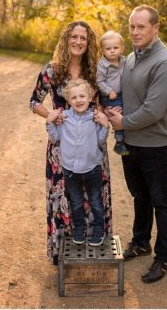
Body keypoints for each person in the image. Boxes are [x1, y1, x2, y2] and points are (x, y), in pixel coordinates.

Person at [105, 5, 167, 285]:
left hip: (155, 146)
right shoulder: (132, 57)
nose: (135, 32)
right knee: (140, 195)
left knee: (161, 201)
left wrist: (122, 123)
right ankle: (140, 242)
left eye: (141, 26)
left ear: (155, 28)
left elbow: (153, 110)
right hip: (131, 144)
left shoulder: (166, 62)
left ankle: (164, 257)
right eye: (132, 27)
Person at [29, 20, 113, 263]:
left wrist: (104, 116)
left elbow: (109, 99)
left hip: (92, 145)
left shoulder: (96, 71)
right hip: (60, 149)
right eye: (74, 37)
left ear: (89, 44)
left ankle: (97, 250)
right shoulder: (52, 70)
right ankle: (63, 253)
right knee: (66, 197)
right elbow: (34, 102)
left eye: (83, 38)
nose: (78, 41)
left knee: (96, 196)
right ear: (67, 40)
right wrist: (50, 115)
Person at [45, 78, 111, 246]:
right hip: (70, 170)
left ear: (89, 97)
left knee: (96, 201)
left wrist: (105, 126)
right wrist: (49, 122)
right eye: (74, 97)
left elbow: (100, 142)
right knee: (76, 202)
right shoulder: (64, 118)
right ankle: (79, 229)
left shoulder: (94, 117)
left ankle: (98, 229)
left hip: (92, 169)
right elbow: (56, 138)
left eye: (82, 96)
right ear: (68, 100)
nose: (79, 100)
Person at [97, 30, 129, 156]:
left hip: (124, 94)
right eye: (108, 48)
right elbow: (99, 81)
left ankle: (127, 137)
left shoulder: (125, 61)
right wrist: (108, 90)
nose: (112, 51)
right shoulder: (102, 65)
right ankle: (119, 142)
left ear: (121, 48)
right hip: (110, 97)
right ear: (103, 51)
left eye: (115, 47)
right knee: (118, 113)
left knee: (129, 112)